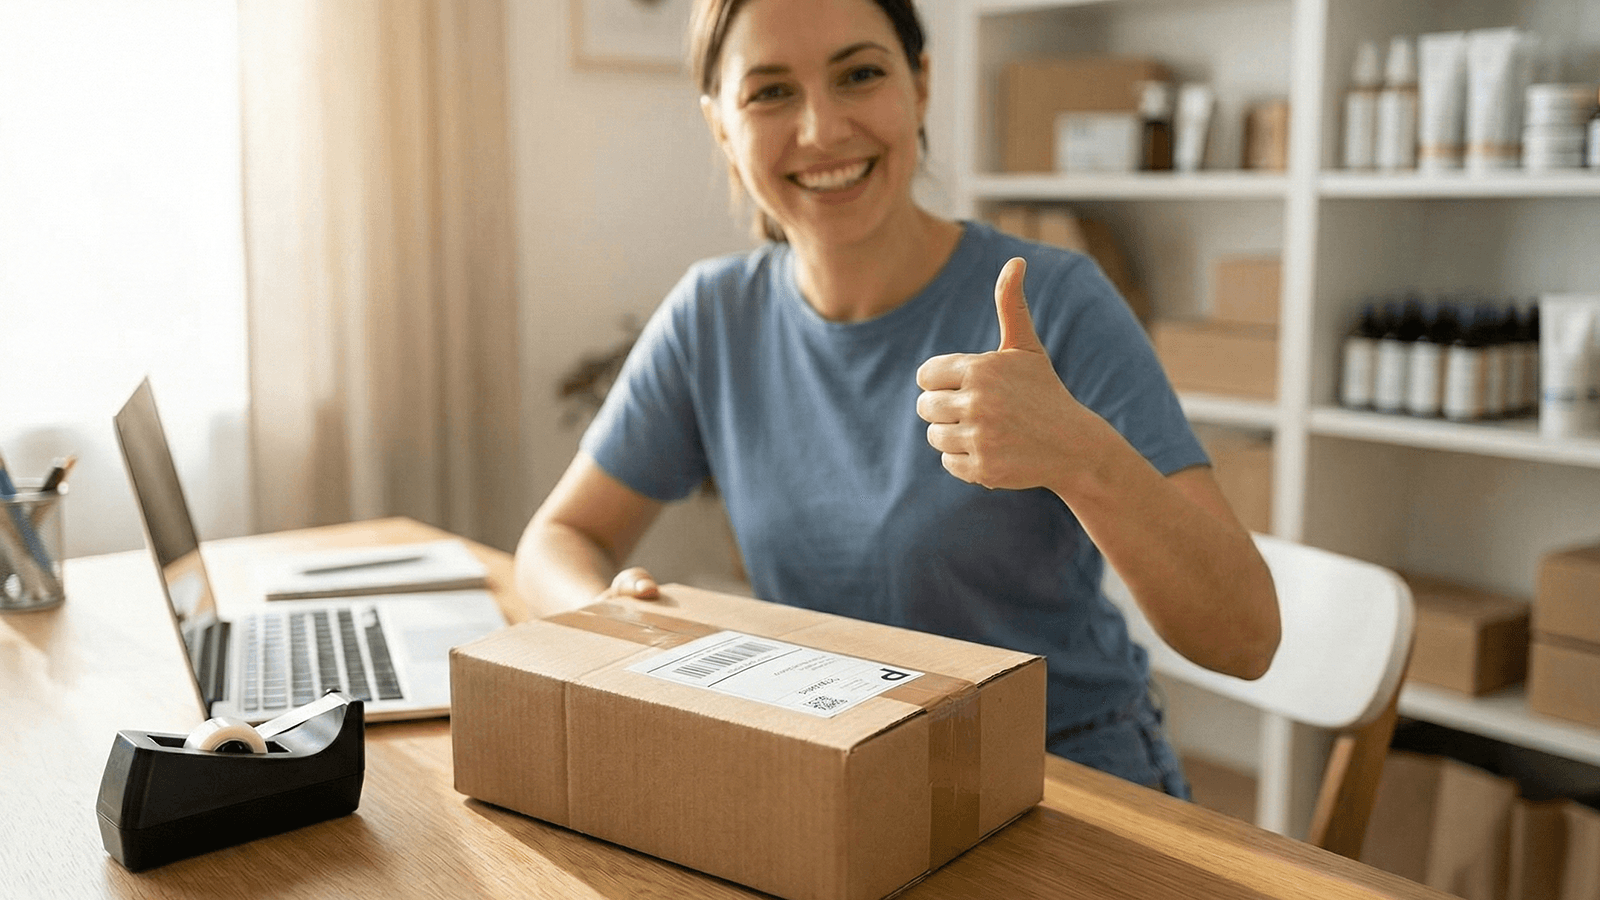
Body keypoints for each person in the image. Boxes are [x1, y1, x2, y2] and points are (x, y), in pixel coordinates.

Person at [515, 0, 1280, 798]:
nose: (821, 129)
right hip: (842, 769)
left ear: (920, 85)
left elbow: (1246, 637)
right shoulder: (713, 316)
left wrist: (1083, 457)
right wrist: (613, 610)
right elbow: (557, 538)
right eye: (771, 92)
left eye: (860, 74)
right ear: (720, 126)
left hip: (1060, 774)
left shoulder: (1056, 300)